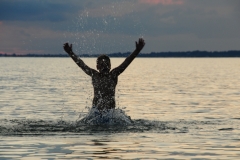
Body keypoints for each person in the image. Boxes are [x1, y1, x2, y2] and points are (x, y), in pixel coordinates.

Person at [63, 38, 145, 111]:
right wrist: (70, 53)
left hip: (110, 113)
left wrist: (137, 51)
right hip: (96, 113)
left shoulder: (113, 75)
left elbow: (126, 62)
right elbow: (81, 64)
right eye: (102, 65)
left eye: (106, 64)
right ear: (97, 67)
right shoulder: (95, 75)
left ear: (110, 66)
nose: (104, 67)